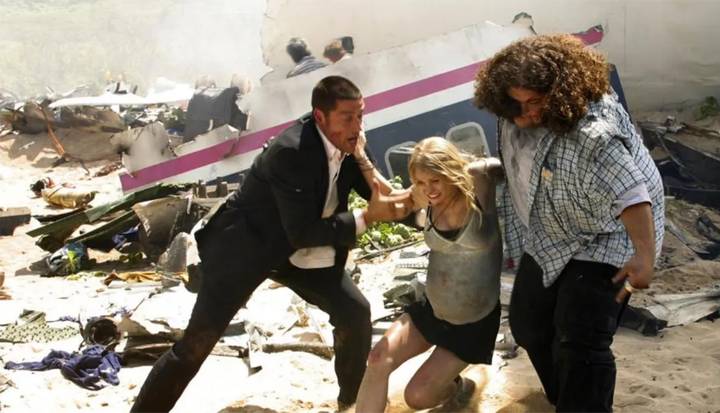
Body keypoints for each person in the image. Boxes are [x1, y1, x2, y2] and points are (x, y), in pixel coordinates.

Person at [131, 76, 412, 412]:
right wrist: (366, 218)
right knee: (196, 345)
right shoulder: (290, 152)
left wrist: (429, 213)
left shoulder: (351, 144)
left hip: (300, 251)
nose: (357, 126)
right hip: (246, 247)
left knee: (354, 312)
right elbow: (305, 230)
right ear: (320, 117)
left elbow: (378, 195)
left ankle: (351, 404)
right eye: (347, 117)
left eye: (360, 116)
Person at [473, 34, 665, 412]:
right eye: (516, 103)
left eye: (535, 102)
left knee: (581, 337)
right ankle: (567, 400)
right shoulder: (510, 113)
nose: (526, 113)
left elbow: (631, 193)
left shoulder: (592, 133)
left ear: (559, 92)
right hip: (552, 231)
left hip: (612, 233)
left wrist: (644, 256)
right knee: (529, 324)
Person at [355, 137, 503, 412]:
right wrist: (361, 157)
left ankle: (459, 387)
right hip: (432, 307)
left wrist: (479, 167)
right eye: (421, 182)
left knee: (417, 398)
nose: (429, 189)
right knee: (377, 359)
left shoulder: (478, 183)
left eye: (435, 180)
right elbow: (390, 196)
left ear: (451, 172)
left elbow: (508, 167)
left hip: (473, 323)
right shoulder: (424, 195)